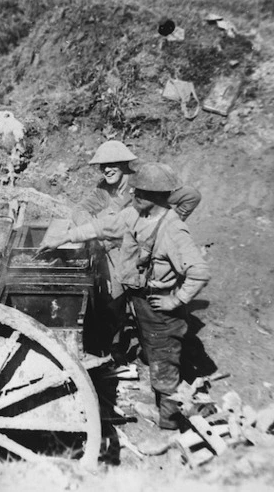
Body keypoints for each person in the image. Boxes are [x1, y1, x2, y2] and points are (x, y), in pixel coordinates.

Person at [40, 162, 210, 430]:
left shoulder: (172, 229)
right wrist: (63, 238)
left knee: (164, 357)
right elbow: (102, 227)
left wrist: (175, 300)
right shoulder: (135, 215)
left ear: (153, 198)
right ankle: (167, 391)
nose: (133, 197)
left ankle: (169, 420)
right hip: (141, 298)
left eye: (138, 193)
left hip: (160, 305)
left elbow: (199, 272)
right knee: (156, 350)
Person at [72, 140, 202, 361]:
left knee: (152, 307)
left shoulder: (146, 183)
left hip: (148, 257)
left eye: (112, 164)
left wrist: (163, 224)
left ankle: (161, 353)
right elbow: (80, 209)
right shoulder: (105, 189)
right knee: (113, 301)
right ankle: (116, 349)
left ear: (125, 164)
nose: (106, 170)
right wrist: (93, 231)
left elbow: (191, 196)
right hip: (119, 253)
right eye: (102, 166)